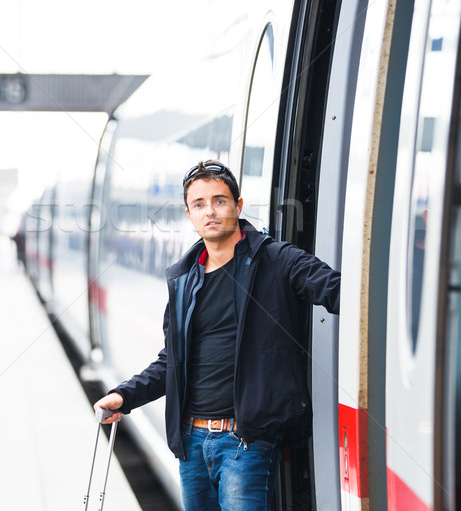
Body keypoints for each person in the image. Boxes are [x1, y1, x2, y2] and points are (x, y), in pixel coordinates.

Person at [94, 160, 341, 511]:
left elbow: (337, 290)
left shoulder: (277, 260)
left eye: (220, 200)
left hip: (245, 441)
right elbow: (172, 361)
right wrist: (124, 396)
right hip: (191, 443)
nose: (210, 211)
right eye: (199, 204)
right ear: (189, 215)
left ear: (238, 207)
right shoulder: (184, 279)